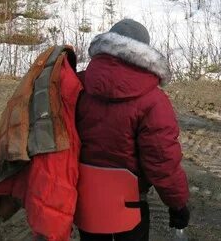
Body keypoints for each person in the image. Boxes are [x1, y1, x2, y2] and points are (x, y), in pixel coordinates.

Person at [75, 19, 190, 240]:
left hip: (86, 200)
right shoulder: (153, 100)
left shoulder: (78, 86)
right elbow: (162, 160)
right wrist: (177, 204)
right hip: (130, 202)